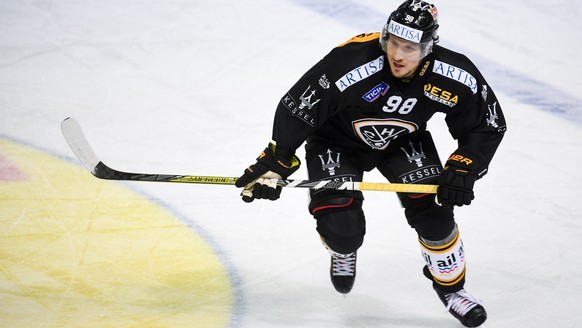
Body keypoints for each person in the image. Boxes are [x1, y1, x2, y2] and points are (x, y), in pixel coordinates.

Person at [235, 0, 506, 327]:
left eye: (409, 47)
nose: (398, 55)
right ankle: (342, 250)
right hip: (335, 142)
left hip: (404, 141)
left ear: (429, 47)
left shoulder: (454, 73)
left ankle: (452, 291)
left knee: (435, 217)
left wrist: (466, 163)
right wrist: (277, 159)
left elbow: (486, 124)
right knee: (343, 231)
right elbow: (299, 107)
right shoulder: (349, 63)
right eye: (393, 42)